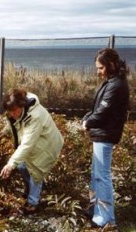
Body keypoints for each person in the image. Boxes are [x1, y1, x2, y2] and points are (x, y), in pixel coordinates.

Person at [82, 48, 130, 228]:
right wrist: (87, 117)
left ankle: (107, 219)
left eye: (101, 67)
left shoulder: (117, 85)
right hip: (101, 133)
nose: (98, 71)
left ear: (111, 65)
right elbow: (97, 108)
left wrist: (88, 123)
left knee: (102, 176)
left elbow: (102, 112)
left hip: (106, 134)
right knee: (96, 175)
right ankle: (96, 211)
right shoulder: (111, 81)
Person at [0, 88, 64, 214]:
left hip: (47, 145)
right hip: (37, 143)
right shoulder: (15, 111)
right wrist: (4, 131)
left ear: (22, 105)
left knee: (35, 169)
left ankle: (33, 203)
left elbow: (27, 144)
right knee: (23, 166)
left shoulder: (35, 116)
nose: (12, 113)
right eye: (10, 111)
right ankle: (31, 190)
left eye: (15, 110)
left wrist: (10, 164)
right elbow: (13, 122)